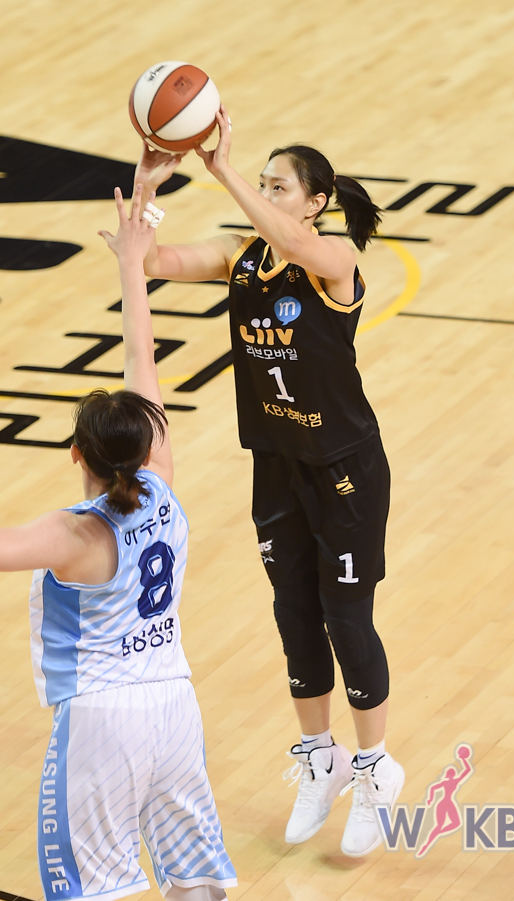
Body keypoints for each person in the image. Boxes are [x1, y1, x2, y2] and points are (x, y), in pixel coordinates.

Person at [134, 106, 404, 857]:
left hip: (345, 468)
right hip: (277, 462)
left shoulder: (333, 259)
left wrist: (220, 167)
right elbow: (151, 262)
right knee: (294, 613)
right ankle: (320, 757)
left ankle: (376, 767)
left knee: (347, 618)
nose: (264, 193)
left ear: (315, 202)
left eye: (276, 185)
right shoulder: (240, 257)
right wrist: (148, 183)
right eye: (262, 182)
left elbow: (293, 243)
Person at [0, 185, 236, 901]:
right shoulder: (160, 483)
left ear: (76, 453)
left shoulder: (74, 533)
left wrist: (134, 257)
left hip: (103, 717)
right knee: (196, 882)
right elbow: (142, 358)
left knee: (90, 890)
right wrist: (133, 265)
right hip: (174, 703)